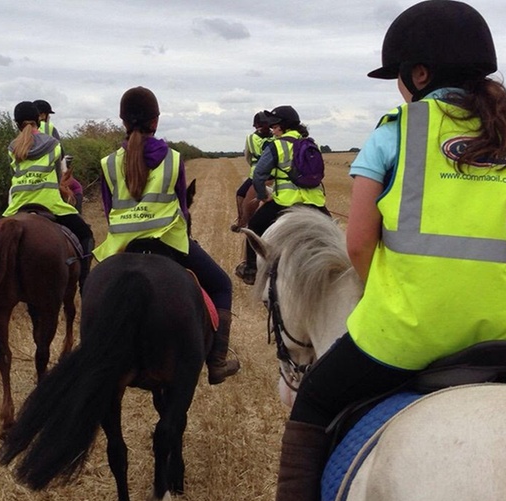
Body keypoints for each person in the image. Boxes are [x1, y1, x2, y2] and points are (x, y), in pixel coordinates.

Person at [270, 2, 506, 501]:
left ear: (418, 73)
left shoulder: (394, 131)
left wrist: (392, 289)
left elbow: (357, 243)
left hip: (409, 331)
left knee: (311, 402)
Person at [93, 86, 240, 384]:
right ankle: (217, 362)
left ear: (122, 122)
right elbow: (183, 210)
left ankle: (93, 355)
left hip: (123, 248)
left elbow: (109, 212)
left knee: (92, 292)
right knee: (222, 284)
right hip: (168, 244)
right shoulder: (173, 159)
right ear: (155, 121)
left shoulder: (108, 164)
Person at [235, 105, 329, 285]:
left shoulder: (276, 145)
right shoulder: (311, 144)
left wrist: (263, 196)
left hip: (286, 203)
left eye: (274, 126)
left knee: (254, 225)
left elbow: (259, 175)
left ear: (282, 126)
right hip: (315, 202)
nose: (272, 130)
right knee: (332, 234)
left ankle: (251, 269)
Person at [5, 101, 94, 290]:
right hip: (50, 205)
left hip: (17, 207)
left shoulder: (12, 148)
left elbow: (15, 175)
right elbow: (59, 178)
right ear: (39, 120)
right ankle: (84, 282)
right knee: (86, 234)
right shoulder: (54, 145)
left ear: (16, 123)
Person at [234, 111, 274, 228]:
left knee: (240, 193)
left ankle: (241, 222)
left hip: (258, 174)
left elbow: (252, 155)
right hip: (276, 174)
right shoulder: (276, 137)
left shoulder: (252, 138)